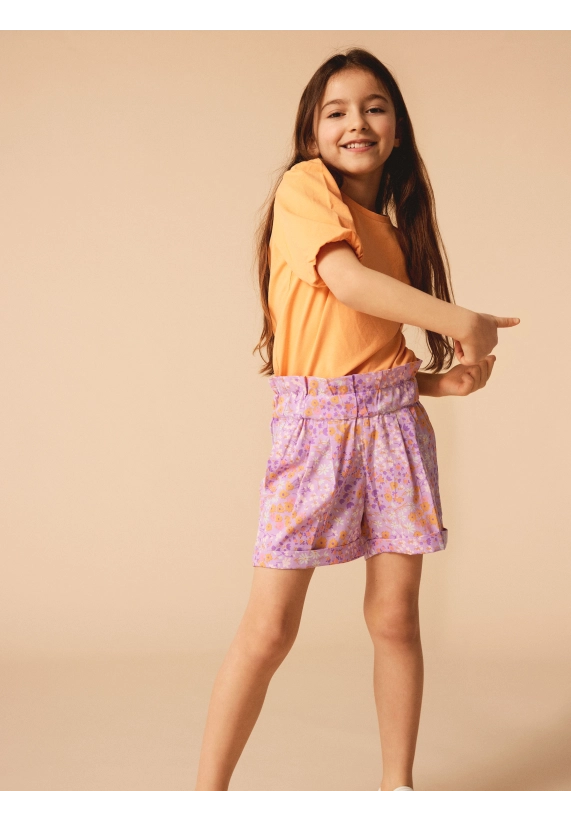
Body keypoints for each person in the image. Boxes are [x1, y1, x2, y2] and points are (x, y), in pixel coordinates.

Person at [195, 47, 519, 793]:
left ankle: (396, 789)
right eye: (336, 110)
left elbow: (367, 343)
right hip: (314, 435)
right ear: (311, 131)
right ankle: (206, 798)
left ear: (397, 129)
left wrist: (437, 382)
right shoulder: (303, 188)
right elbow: (342, 281)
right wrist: (462, 320)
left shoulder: (394, 232)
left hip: (393, 427)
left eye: (375, 107)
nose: (357, 122)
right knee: (270, 628)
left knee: (395, 618)